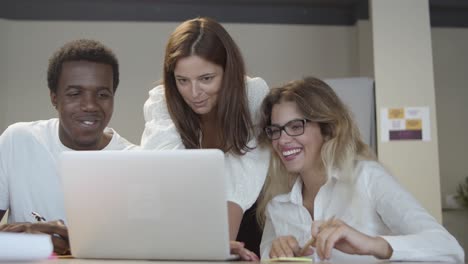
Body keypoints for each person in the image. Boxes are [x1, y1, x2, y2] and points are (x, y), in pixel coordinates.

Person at [256, 77, 464, 262]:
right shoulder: (278, 205)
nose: (282, 140)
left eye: (295, 126)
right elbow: (267, 256)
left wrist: (371, 244)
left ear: (327, 129)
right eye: (275, 130)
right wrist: (275, 253)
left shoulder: (367, 177)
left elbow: (449, 249)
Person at [141, 17, 270, 260]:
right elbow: (168, 174)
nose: (194, 93)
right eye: (183, 81)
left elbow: (242, 174)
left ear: (228, 71)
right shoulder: (162, 101)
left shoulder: (252, 94)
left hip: (244, 223)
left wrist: (221, 248)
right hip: (184, 222)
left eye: (206, 78)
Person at [0, 39, 136, 255]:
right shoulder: (18, 141)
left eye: (102, 94)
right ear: (54, 98)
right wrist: (24, 235)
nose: (90, 105)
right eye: (74, 93)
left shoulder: (136, 161)